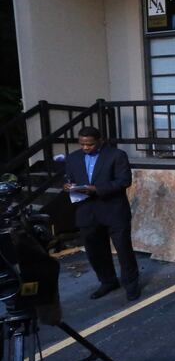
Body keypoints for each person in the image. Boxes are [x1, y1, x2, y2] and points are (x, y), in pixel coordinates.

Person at [64, 126, 141, 301]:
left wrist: (97, 189)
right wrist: (68, 185)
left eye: (89, 144)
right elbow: (69, 178)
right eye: (82, 144)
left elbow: (124, 181)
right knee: (95, 251)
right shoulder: (73, 158)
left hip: (114, 210)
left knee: (123, 250)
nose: (85, 147)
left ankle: (131, 285)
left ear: (100, 141)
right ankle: (108, 282)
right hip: (86, 212)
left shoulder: (116, 155)